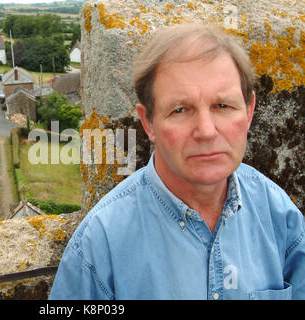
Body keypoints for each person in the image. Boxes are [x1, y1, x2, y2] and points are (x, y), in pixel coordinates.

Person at [49, 23, 305, 300]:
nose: (206, 131)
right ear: (148, 122)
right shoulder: (100, 244)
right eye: (180, 110)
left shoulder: (280, 215)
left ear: (249, 110)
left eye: (223, 106)